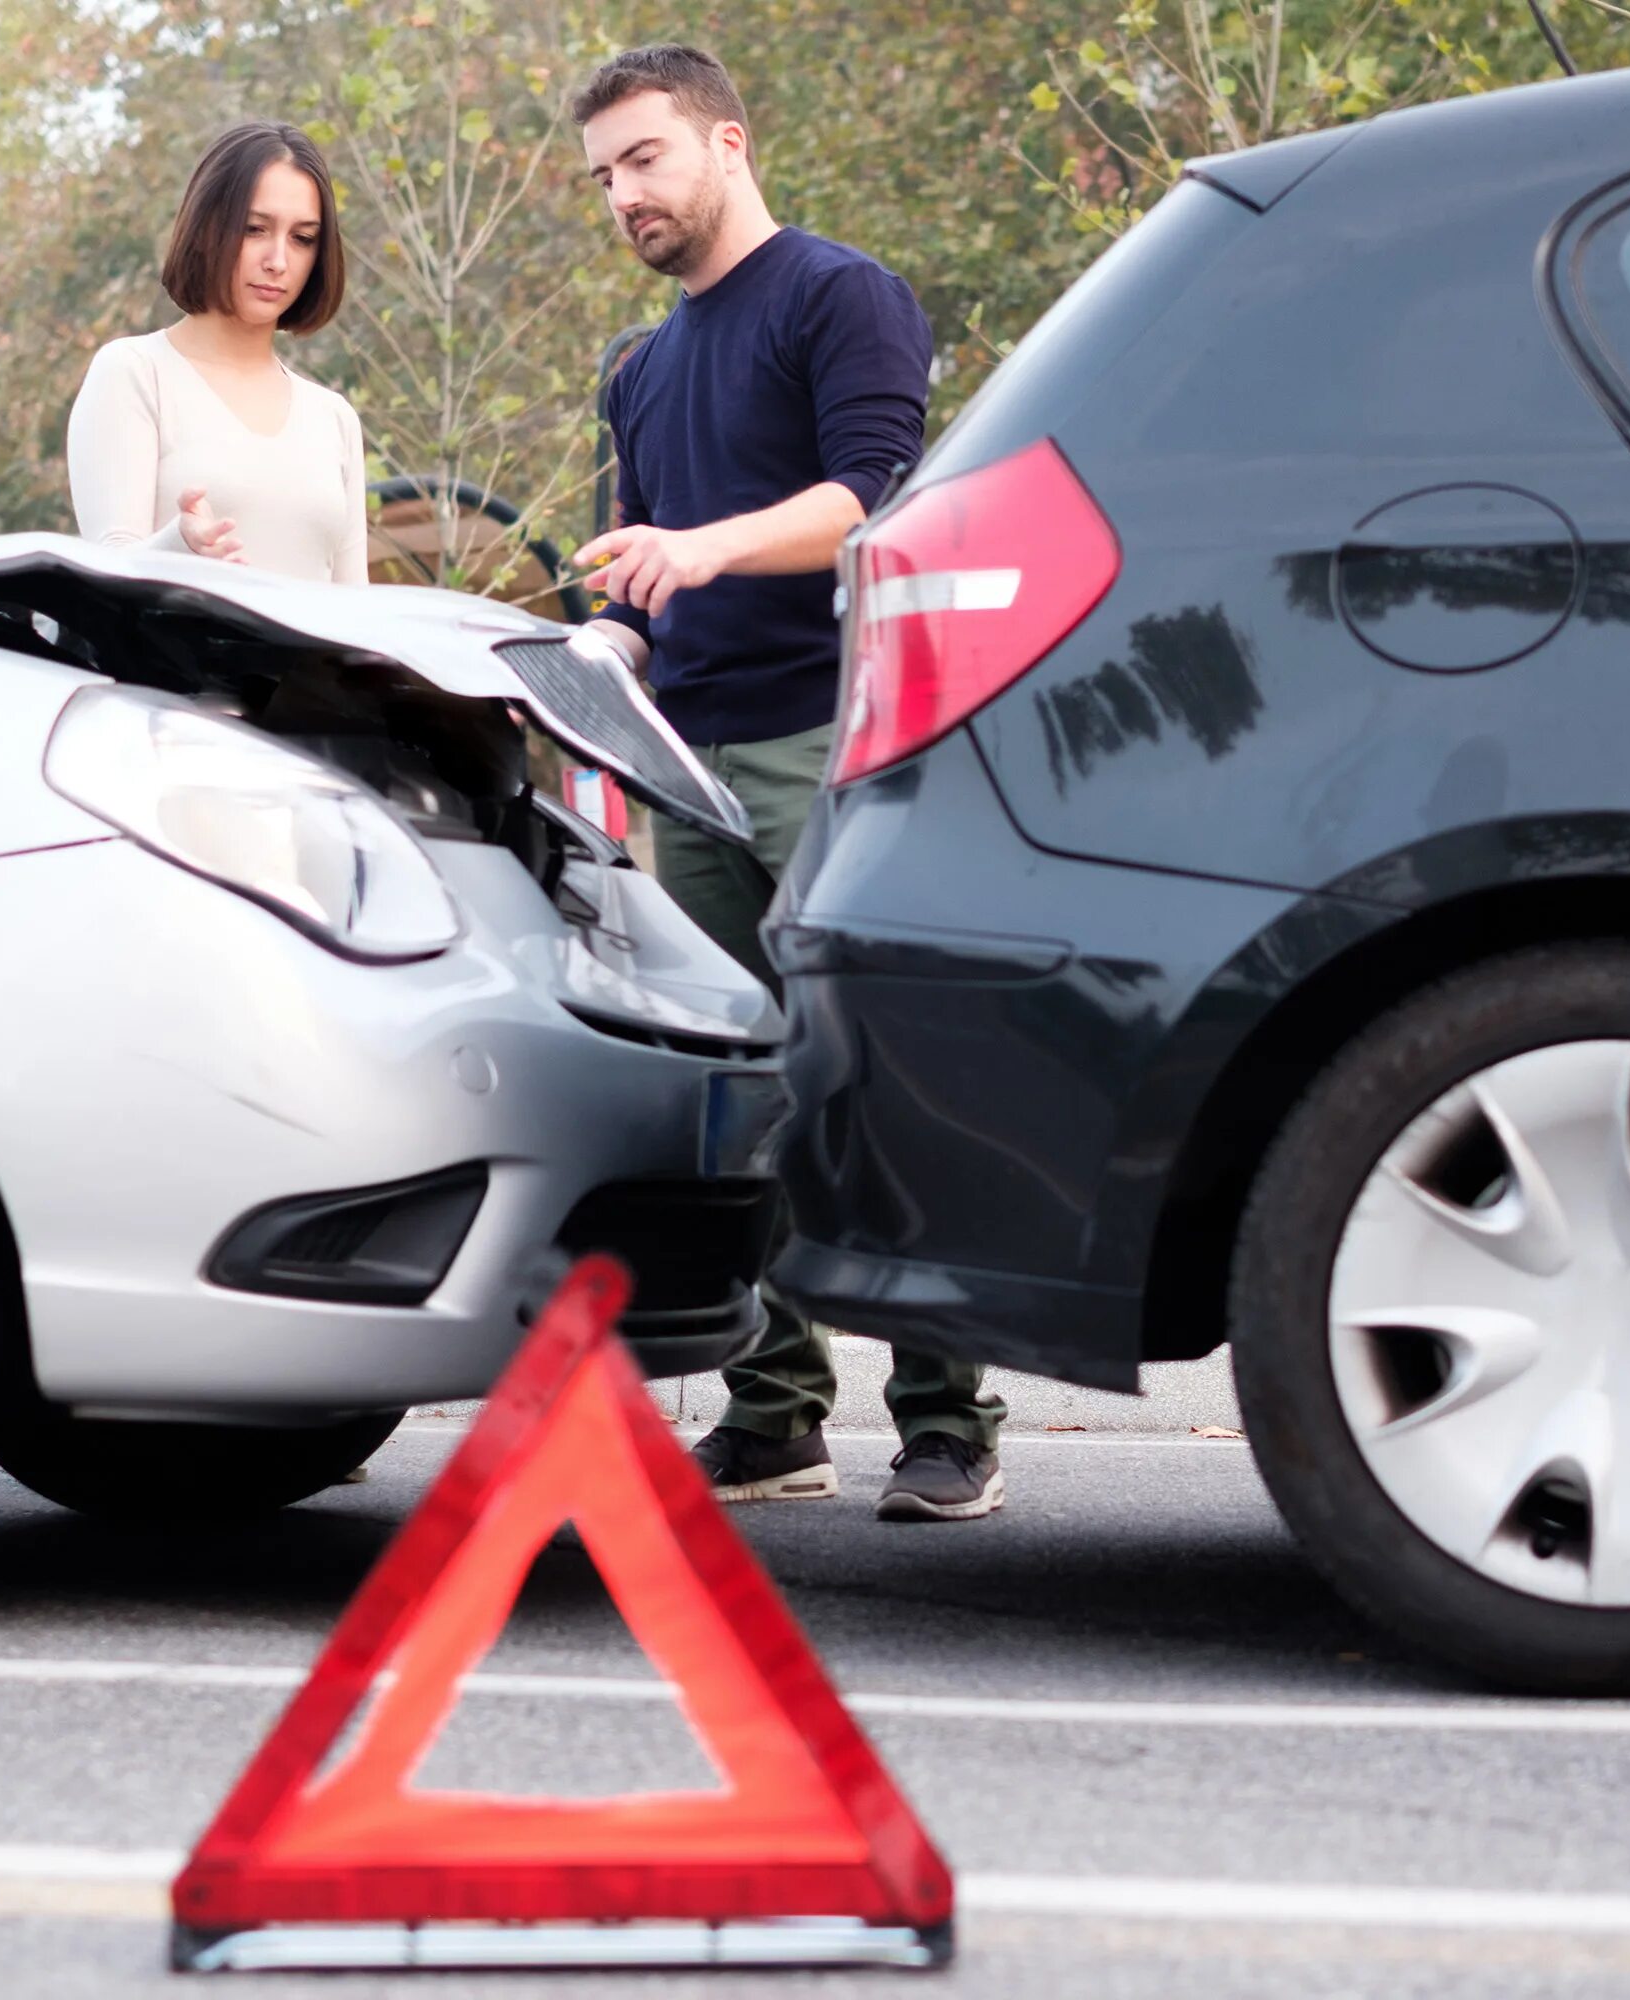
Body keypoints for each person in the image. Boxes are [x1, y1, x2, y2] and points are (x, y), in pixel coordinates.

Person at [565, 46, 1008, 1523]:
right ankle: (777, 1413)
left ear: (727, 142)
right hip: (687, 766)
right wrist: (606, 634)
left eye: (643, 157)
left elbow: (872, 501)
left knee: (878, 1074)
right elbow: (642, 566)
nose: (623, 192)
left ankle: (948, 1419)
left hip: (837, 741)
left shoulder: (840, 294)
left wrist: (700, 548)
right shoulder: (637, 370)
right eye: (605, 175)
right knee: (741, 1091)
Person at [68, 122, 367, 585]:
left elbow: (356, 611)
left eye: (302, 238)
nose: (278, 261)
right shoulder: (135, 373)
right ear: (208, 229)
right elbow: (108, 573)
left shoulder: (334, 418)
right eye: (254, 229)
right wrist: (180, 545)